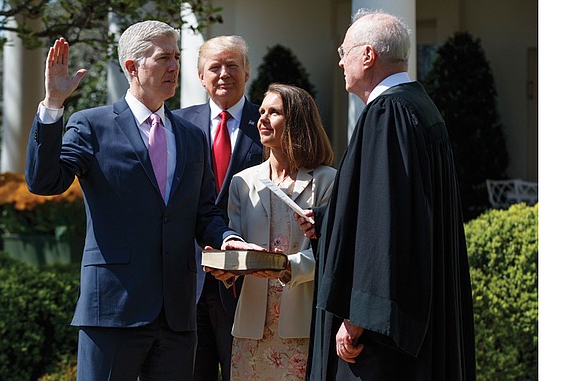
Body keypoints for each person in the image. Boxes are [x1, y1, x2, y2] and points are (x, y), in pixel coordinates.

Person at [25, 20, 260, 381]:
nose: (174, 67)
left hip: (178, 315)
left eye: (176, 58)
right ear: (132, 67)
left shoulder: (191, 136)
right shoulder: (92, 125)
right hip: (114, 308)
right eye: (164, 58)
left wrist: (226, 238)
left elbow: (203, 211)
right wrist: (53, 105)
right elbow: (45, 181)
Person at [295, 9, 477, 380]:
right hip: (417, 314)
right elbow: (405, 208)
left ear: (367, 55)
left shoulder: (388, 113)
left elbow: (387, 225)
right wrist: (329, 222)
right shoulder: (418, 107)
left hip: (380, 340)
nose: (341, 62)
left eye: (344, 51)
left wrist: (358, 317)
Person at [208, 83, 336, 380]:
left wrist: (289, 267)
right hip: (251, 329)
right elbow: (238, 246)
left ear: (297, 121)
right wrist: (227, 269)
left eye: (274, 112)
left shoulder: (328, 181)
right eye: (261, 112)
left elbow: (334, 252)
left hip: (304, 325)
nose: (261, 119)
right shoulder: (243, 182)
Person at [172, 35, 262, 381]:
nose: (224, 74)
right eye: (215, 67)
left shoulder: (268, 123)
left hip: (247, 280)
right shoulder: (177, 124)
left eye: (232, 65)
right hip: (187, 279)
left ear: (247, 71)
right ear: (200, 76)